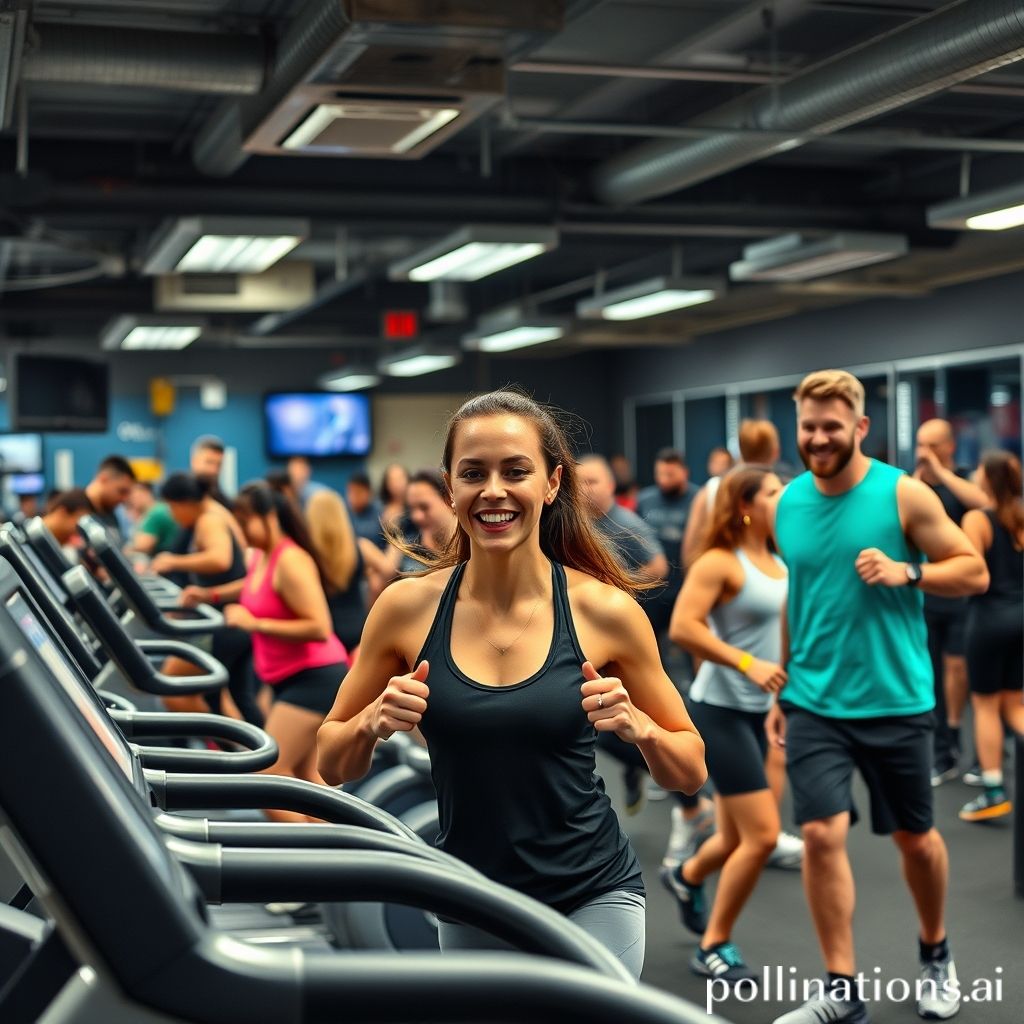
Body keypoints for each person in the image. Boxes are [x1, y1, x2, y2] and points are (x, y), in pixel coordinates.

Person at [317, 389, 707, 978]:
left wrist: (643, 729)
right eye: (473, 473)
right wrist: (372, 723)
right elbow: (331, 762)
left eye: (515, 471)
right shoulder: (405, 608)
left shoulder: (604, 611)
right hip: (472, 896)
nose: (493, 490)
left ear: (551, 483)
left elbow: (690, 770)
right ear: (451, 487)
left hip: (592, 891)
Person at [768, 369, 988, 1024]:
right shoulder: (787, 503)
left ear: (860, 427)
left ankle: (935, 951)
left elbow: (972, 570)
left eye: (832, 426)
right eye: (808, 427)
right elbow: (797, 598)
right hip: (813, 700)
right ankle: (841, 989)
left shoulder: (905, 495)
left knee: (917, 842)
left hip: (895, 701)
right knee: (819, 832)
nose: (818, 438)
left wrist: (908, 572)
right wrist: (781, 682)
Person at [667, 465, 787, 983]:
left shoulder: (780, 560)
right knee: (761, 837)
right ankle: (713, 944)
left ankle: (686, 875)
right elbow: (682, 628)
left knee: (738, 836)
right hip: (720, 711)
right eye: (774, 493)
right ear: (746, 505)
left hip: (766, 713)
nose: (784, 500)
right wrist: (744, 663)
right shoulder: (721, 561)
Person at [196, 482, 348, 822]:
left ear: (269, 517)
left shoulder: (292, 559)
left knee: (267, 774)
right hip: (289, 679)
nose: (242, 532)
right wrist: (210, 596)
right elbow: (252, 587)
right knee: (309, 781)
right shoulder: (261, 556)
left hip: (315, 678)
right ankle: (337, 861)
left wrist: (256, 624)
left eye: (246, 521)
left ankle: (317, 865)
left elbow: (320, 626)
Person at [150, 473, 263, 728]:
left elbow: (220, 558)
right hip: (231, 621)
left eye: (171, 508)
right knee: (236, 698)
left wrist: (172, 561)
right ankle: (250, 757)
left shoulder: (208, 520)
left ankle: (235, 751)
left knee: (172, 686)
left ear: (182, 503)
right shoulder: (213, 514)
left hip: (224, 624)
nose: (173, 515)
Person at [913, 419, 989, 785]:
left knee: (959, 671)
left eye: (930, 445)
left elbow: (985, 503)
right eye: (919, 444)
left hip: (961, 596)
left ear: (947, 446)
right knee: (930, 673)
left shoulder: (961, 479)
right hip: (927, 594)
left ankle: (963, 741)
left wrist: (942, 472)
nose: (923, 452)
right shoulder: (914, 486)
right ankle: (942, 751)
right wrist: (921, 476)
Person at [957, 450, 1023, 823]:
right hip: (1020, 617)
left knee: (985, 706)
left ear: (987, 477)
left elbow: (969, 572)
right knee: (1014, 705)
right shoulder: (1020, 516)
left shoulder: (977, 520)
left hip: (989, 620)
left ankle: (994, 790)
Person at [683, 420, 781, 568]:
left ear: (740, 450)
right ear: (775, 451)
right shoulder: (784, 491)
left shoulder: (712, 489)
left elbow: (689, 551)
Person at [305, 488, 367, 654]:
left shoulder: (306, 557)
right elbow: (387, 569)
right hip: (358, 630)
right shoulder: (359, 548)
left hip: (327, 635)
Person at [84, 455, 136, 546]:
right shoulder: (77, 512)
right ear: (103, 479)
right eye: (122, 491)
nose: (124, 499)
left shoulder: (111, 515)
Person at [346, 471, 386, 548]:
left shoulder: (381, 511)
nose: (353, 497)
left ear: (369, 492)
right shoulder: (343, 511)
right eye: (350, 492)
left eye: (358, 493)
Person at [378, 462, 410, 533]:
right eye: (392, 479)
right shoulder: (378, 506)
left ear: (408, 479)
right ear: (386, 484)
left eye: (400, 478)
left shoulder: (414, 507)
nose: (397, 483)